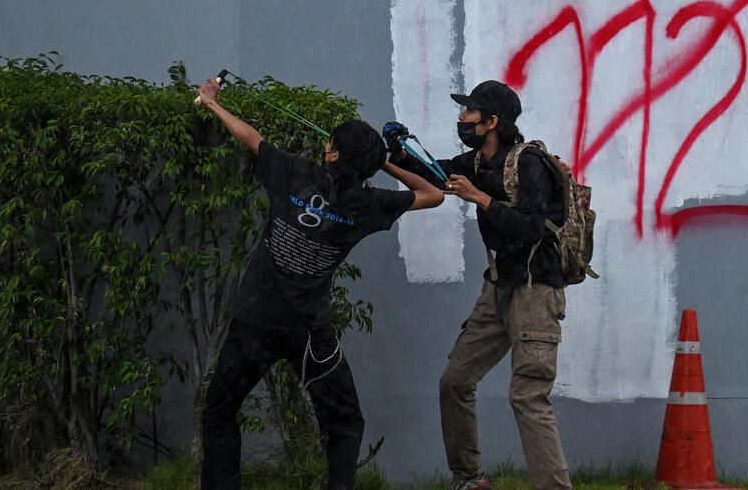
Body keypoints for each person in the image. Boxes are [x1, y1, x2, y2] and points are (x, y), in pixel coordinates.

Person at [194, 76, 444, 490]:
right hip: (308, 331)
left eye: (330, 142)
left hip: (254, 321)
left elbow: (250, 137)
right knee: (344, 423)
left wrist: (211, 102)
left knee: (219, 411)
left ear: (330, 153)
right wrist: (379, 161)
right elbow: (432, 193)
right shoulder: (369, 203)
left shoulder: (295, 173)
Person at [388, 80, 571, 490]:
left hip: (535, 291)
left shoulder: (528, 164)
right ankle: (470, 480)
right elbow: (433, 173)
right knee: (455, 382)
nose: (461, 118)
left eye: (469, 112)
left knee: (528, 397)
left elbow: (533, 228)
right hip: (498, 289)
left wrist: (479, 199)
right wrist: (397, 152)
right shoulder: (475, 162)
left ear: (492, 121)